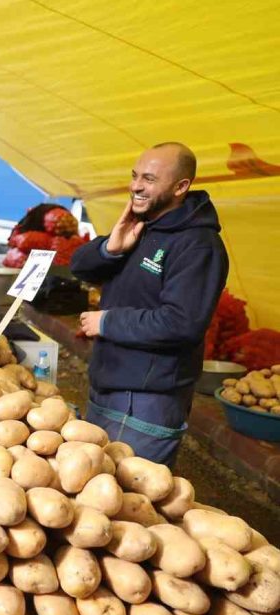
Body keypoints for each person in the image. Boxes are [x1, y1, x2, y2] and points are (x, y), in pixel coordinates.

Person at [71, 142, 228, 467]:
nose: (136, 186)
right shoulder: (141, 227)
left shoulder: (199, 246)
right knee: (94, 490)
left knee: (131, 501)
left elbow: (181, 322)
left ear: (180, 187)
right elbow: (79, 267)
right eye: (134, 176)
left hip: (145, 400)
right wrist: (110, 249)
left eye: (149, 179)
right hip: (108, 384)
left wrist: (107, 322)